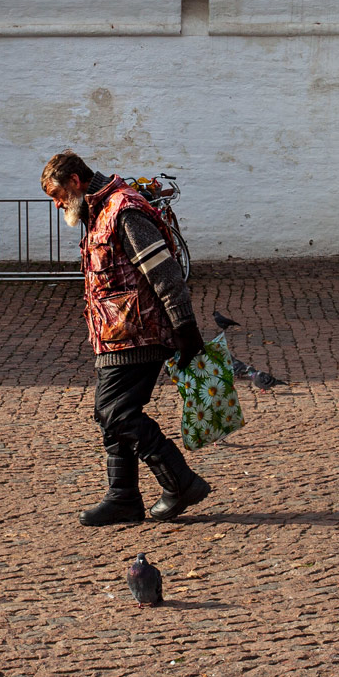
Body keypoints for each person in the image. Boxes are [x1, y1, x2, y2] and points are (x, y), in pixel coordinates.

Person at [41, 149, 211, 526]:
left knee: (114, 412)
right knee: (113, 416)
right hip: (113, 336)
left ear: (75, 181)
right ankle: (123, 498)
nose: (57, 205)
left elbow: (163, 272)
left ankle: (180, 482)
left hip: (141, 334)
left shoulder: (124, 209)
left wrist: (185, 329)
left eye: (57, 196)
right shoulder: (97, 212)